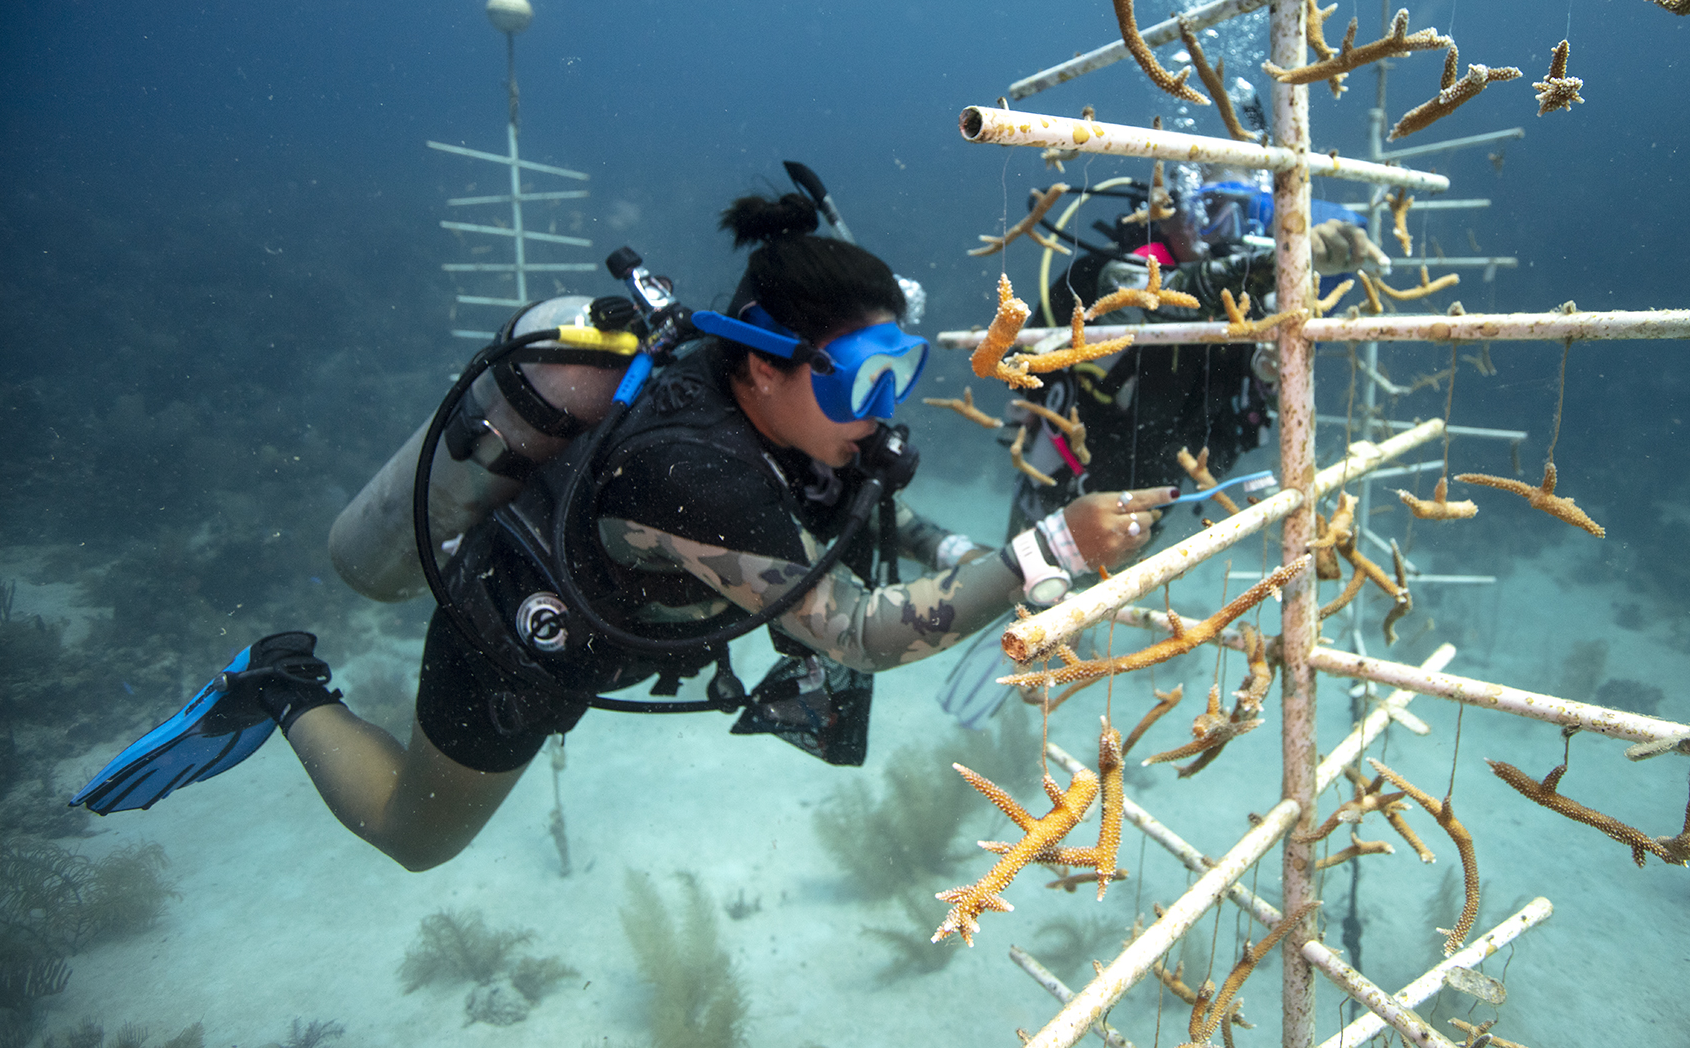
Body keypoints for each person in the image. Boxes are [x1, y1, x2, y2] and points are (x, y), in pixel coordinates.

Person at [72, 187, 1178, 871]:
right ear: (759, 363)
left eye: (903, 370)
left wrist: (952, 550)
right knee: (415, 837)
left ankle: (281, 686)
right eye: (859, 379)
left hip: (622, 615)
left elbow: (846, 530)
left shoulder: (781, 422)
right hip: (516, 641)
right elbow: (855, 631)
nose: (881, 407)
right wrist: (1051, 550)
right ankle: (281, 685)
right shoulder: (693, 477)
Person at [1004, 165, 1389, 538]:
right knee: (1026, 580)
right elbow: (1180, 296)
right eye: (1210, 210)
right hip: (1064, 472)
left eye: (1242, 212)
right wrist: (1288, 259)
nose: (1227, 231)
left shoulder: (1249, 291)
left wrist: (1330, 252)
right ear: (1169, 209)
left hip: (1158, 487)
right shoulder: (1121, 269)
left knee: (1104, 590)